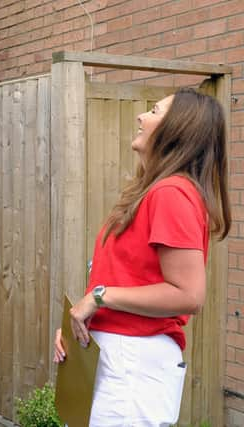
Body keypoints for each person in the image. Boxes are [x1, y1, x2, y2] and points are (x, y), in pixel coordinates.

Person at [53, 88, 231, 425]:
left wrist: (99, 298)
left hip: (133, 362)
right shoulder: (154, 192)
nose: (140, 116)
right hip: (121, 358)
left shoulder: (171, 194)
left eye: (153, 111)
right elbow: (129, 279)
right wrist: (80, 325)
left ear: (178, 128)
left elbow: (188, 294)